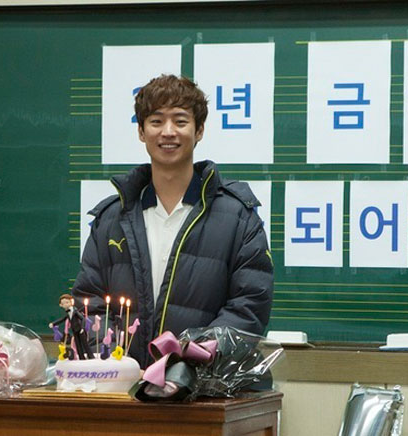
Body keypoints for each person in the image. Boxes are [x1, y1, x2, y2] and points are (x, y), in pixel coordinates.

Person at [72, 74, 273, 368]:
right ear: (141, 132)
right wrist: (118, 366)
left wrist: (186, 362)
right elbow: (89, 304)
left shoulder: (238, 217)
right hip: (123, 387)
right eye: (156, 121)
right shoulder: (111, 219)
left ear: (199, 130)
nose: (168, 132)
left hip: (203, 387)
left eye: (180, 121)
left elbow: (249, 306)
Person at [49, 293, 94, 360]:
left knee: (85, 344)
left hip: (80, 330)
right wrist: (53, 324)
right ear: (61, 305)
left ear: (71, 302)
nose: (65, 304)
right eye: (63, 303)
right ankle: (81, 357)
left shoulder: (75, 311)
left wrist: (82, 328)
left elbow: (83, 319)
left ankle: (91, 356)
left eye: (67, 302)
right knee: (78, 345)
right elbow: (62, 319)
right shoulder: (68, 313)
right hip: (74, 331)